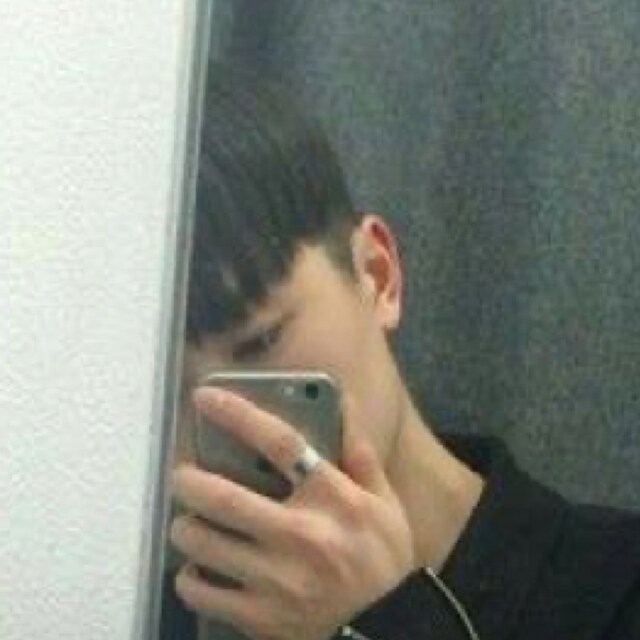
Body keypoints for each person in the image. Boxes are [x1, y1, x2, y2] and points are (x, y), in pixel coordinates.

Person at [161, 66, 640, 640]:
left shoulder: (616, 591)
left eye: (260, 342)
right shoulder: (131, 608)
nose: (228, 422)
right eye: (168, 396)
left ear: (378, 275)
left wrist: (391, 620)